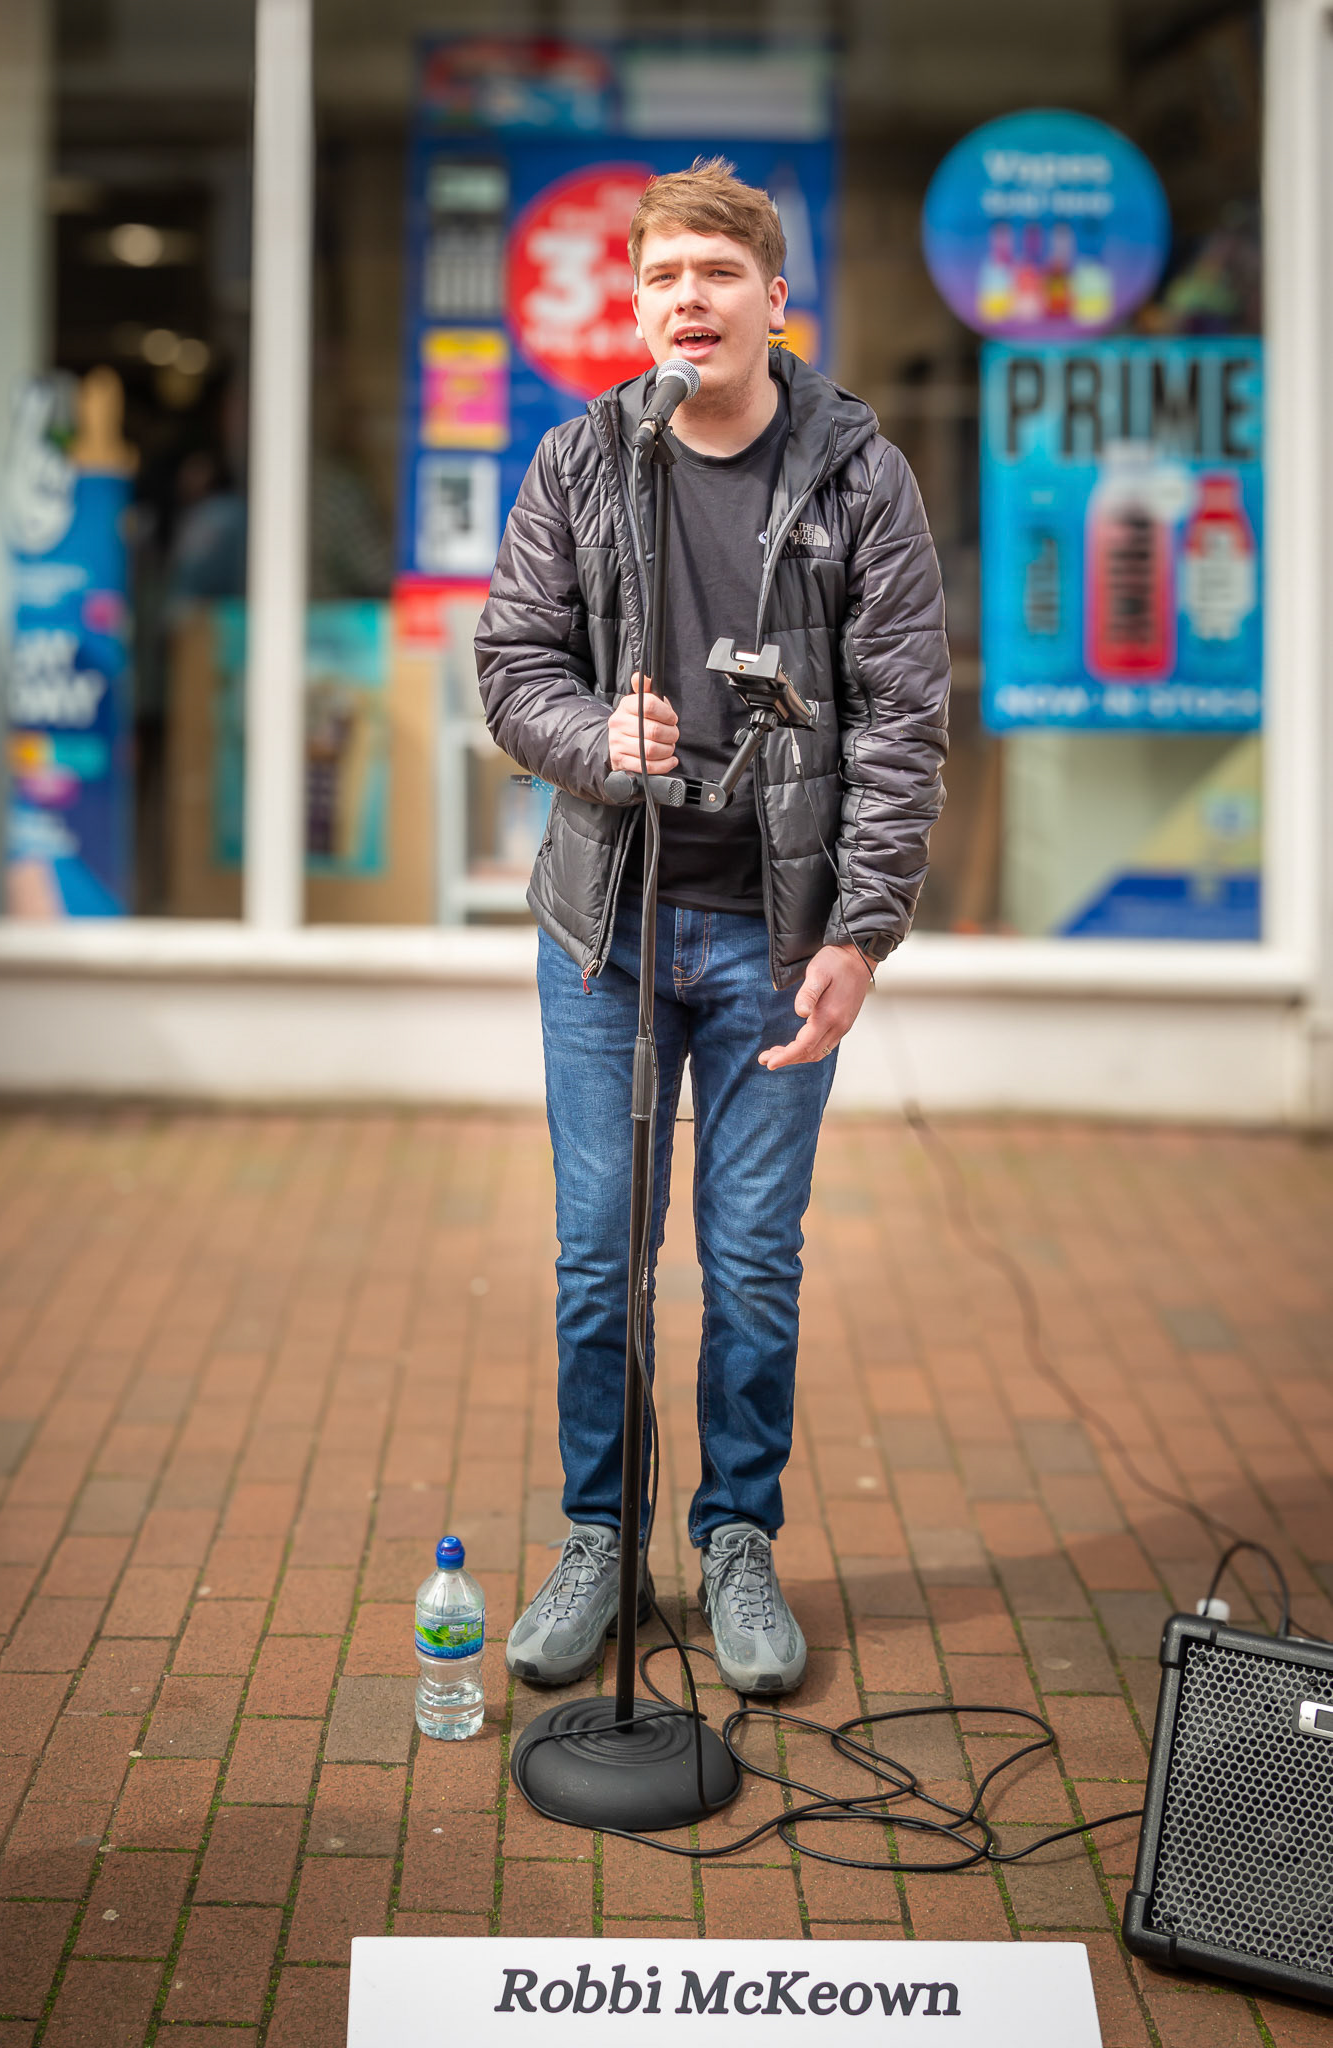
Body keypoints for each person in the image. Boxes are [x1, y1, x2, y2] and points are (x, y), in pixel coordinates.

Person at [475, 159, 949, 1697]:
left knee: (750, 1267)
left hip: (773, 936)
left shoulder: (860, 476)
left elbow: (902, 723)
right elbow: (513, 663)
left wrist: (861, 933)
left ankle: (737, 1537)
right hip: (607, 934)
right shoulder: (581, 461)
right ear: (639, 307)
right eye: (666, 277)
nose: (691, 299)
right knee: (597, 1263)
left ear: (774, 300)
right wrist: (590, 740)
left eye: (719, 274)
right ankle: (601, 1539)